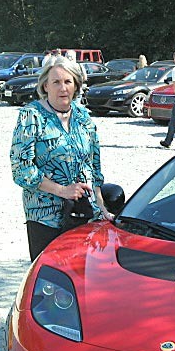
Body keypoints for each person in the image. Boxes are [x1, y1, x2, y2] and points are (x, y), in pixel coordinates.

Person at [10, 55, 113, 261]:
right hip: (45, 217)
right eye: (56, 82)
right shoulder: (31, 116)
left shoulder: (83, 116)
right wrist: (63, 191)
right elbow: (21, 169)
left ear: (76, 85)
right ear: (45, 86)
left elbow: (94, 166)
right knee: (51, 281)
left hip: (83, 215)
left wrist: (102, 207)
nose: (62, 88)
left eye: (68, 82)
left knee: (82, 277)